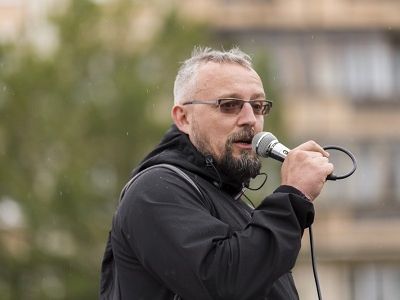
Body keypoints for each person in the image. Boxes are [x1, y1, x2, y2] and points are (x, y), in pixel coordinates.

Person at [100, 47, 334, 300]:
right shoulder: (155, 189)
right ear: (183, 118)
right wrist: (293, 195)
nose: (250, 119)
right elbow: (223, 283)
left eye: (258, 106)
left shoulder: (232, 201)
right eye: (229, 105)